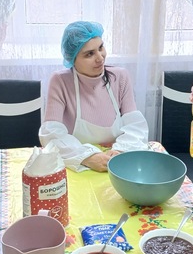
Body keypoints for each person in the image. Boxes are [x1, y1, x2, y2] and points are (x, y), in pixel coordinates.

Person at [39, 21, 149, 172]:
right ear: (73, 59)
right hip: (78, 165)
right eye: (89, 54)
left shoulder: (120, 77)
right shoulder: (60, 81)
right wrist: (88, 157)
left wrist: (121, 151)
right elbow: (51, 135)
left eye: (101, 48)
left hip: (115, 164)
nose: (100, 58)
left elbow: (134, 125)